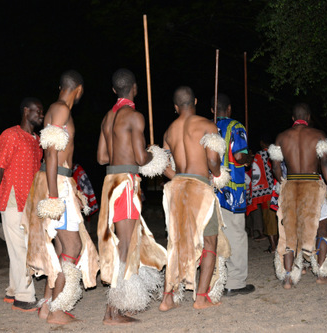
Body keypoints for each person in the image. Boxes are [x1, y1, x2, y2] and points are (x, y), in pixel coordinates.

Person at [21, 71, 99, 325]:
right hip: (57, 183)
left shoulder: (56, 108)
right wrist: (55, 196)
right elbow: (52, 154)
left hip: (58, 181)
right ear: (78, 88)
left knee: (59, 247)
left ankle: (46, 306)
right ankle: (57, 310)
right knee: (73, 247)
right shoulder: (62, 110)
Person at [97, 68, 167, 325]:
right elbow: (140, 158)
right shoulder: (134, 117)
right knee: (125, 244)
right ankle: (112, 311)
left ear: (115, 90)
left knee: (125, 241)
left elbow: (102, 157)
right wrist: (154, 155)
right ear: (135, 88)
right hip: (125, 183)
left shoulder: (107, 118)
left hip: (110, 181)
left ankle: (120, 304)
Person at [159, 86, 230, 312]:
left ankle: (167, 297)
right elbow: (212, 160)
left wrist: (179, 178)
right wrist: (217, 175)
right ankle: (200, 297)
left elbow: (163, 165)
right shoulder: (208, 126)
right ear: (196, 101)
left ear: (175, 107)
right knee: (210, 242)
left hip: (177, 189)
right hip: (200, 189)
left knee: (177, 241)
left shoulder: (169, 131)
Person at [269, 103, 327, 289]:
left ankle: (287, 277)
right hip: (313, 186)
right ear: (308, 117)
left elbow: (275, 167)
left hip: (291, 186)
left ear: (293, 118)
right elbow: (325, 163)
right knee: (322, 229)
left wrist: (283, 182)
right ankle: (322, 273)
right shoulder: (318, 135)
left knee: (288, 232)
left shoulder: (281, 137)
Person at [0, 97, 44, 311]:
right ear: (26, 110)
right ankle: (25, 297)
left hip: (29, 200)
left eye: (42, 112)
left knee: (19, 248)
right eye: (38, 111)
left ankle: (12, 291)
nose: (41, 115)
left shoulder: (37, 140)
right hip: (10, 198)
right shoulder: (10, 135)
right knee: (21, 249)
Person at [212, 93, 255, 297]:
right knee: (236, 234)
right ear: (228, 109)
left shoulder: (206, 127)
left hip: (209, 188)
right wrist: (249, 157)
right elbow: (239, 156)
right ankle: (235, 282)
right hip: (232, 189)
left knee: (214, 234)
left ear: (212, 110)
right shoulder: (236, 127)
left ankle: (217, 279)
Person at [249, 135, 278, 252]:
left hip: (266, 192)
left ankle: (274, 246)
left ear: (262, 143)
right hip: (277, 189)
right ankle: (276, 244)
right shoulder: (276, 153)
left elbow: (255, 173)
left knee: (268, 219)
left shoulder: (259, 155)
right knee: (276, 218)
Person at [72, 163, 99, 232]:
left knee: (85, 208)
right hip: (73, 187)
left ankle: (87, 231)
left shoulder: (78, 169)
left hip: (81, 190)